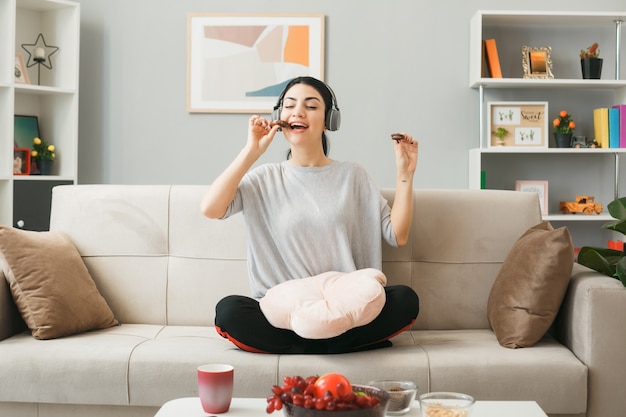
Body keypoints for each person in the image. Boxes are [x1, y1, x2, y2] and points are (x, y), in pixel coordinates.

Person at [201, 76, 419, 354]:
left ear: (330, 120)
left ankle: (304, 345)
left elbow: (397, 235)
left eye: (311, 106)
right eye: (290, 105)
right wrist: (251, 152)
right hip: (284, 313)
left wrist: (405, 174)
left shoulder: (353, 175)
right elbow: (210, 208)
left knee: (404, 299)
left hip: (347, 306)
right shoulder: (263, 178)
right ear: (279, 118)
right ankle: (337, 344)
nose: (298, 112)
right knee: (230, 311)